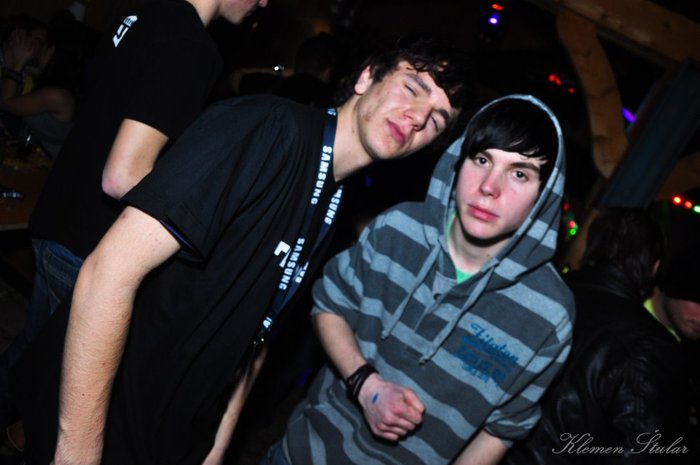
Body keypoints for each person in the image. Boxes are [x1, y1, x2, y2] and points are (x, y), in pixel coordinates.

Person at [11, 37, 472, 465]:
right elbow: (109, 271)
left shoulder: (333, 199)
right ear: (366, 77)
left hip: (169, 433)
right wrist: (79, 450)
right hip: (100, 412)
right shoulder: (268, 129)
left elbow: (259, 332)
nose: (418, 117)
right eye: (413, 88)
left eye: (436, 120)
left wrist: (217, 444)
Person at [270, 94, 574, 465]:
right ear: (458, 160)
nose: (489, 187)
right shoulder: (397, 228)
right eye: (482, 159)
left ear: (543, 197)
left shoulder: (550, 314)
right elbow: (329, 306)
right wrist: (366, 384)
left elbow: (502, 429)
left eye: (520, 173)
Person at [502, 208, 691, 464]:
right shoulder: (651, 345)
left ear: (590, 249)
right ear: (655, 268)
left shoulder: (537, 296)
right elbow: (648, 451)